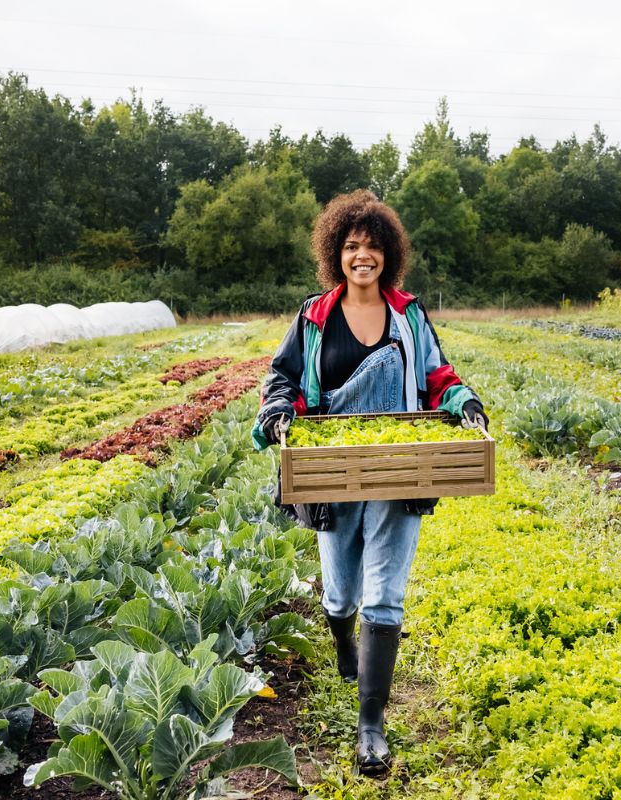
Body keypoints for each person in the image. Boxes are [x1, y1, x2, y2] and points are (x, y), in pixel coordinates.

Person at [251, 189, 487, 776]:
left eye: (373, 247)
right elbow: (281, 379)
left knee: (385, 593)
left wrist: (463, 401)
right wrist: (280, 415)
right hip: (331, 471)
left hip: (399, 469)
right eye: (353, 246)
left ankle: (370, 727)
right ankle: (341, 639)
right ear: (337, 252)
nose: (364, 256)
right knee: (340, 591)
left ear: (389, 254)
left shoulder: (407, 314)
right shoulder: (313, 317)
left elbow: (436, 373)